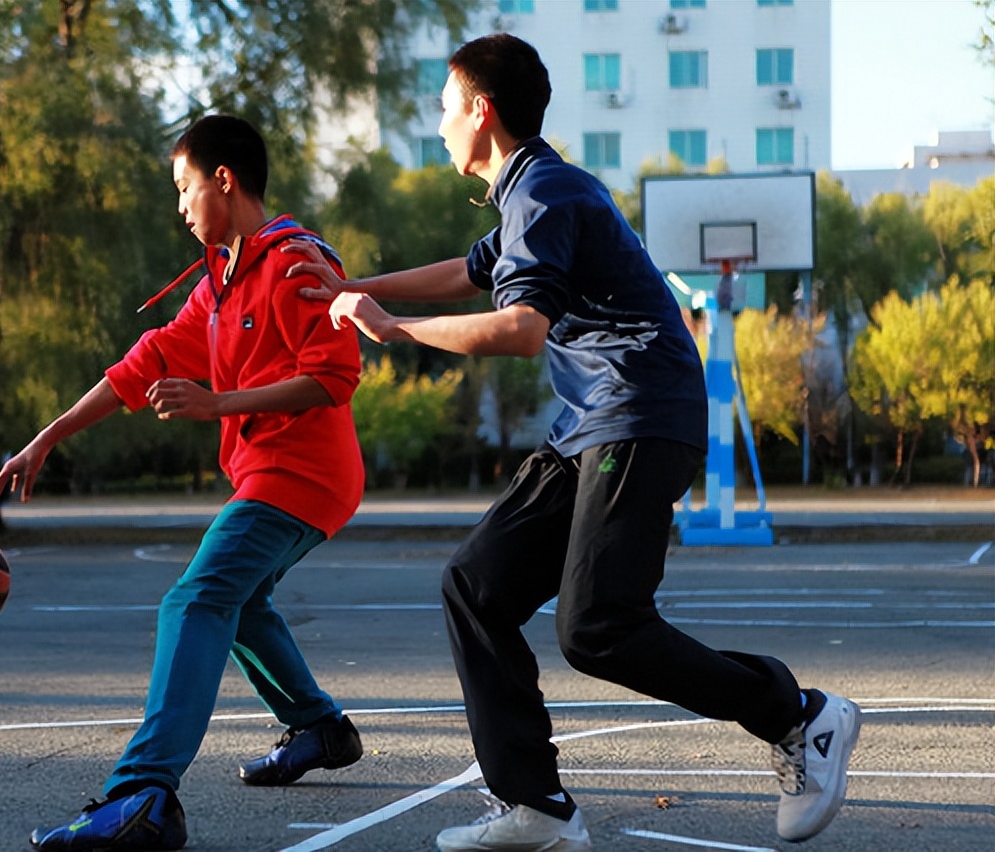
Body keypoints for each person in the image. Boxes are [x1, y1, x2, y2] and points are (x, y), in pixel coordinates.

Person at [289, 33, 861, 852]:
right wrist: (348, 288)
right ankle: (535, 808)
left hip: (638, 412)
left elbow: (521, 329)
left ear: (481, 110)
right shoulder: (530, 191)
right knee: (475, 585)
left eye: (446, 107)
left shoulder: (545, 192)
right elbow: (470, 271)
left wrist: (389, 325)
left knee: (597, 626)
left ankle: (800, 717)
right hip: (593, 423)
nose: (441, 122)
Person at [0, 114, 366, 852]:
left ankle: (143, 798)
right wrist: (47, 437)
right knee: (240, 602)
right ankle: (320, 728)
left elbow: (335, 377)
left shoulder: (296, 264)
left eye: (185, 188)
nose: (181, 207)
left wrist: (218, 403)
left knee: (195, 598)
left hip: (302, 476)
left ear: (223, 181)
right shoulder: (222, 284)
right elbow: (146, 360)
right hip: (273, 477)